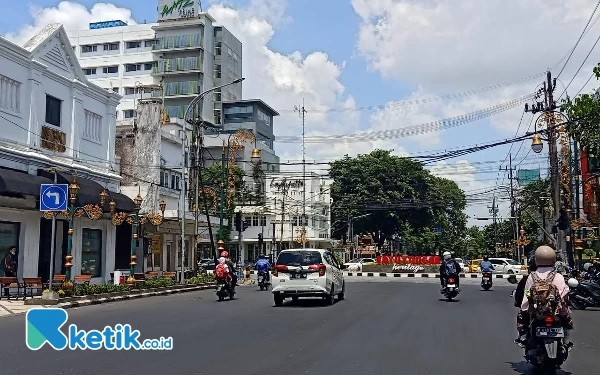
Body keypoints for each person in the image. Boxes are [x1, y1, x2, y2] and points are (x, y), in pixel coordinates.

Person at [517, 246, 573, 349]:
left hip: (536, 309)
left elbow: (528, 293)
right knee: (567, 321)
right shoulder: (558, 276)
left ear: (536, 259)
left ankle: (523, 337)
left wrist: (528, 305)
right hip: (556, 309)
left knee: (522, 317)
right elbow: (564, 293)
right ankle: (567, 341)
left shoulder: (532, 276)